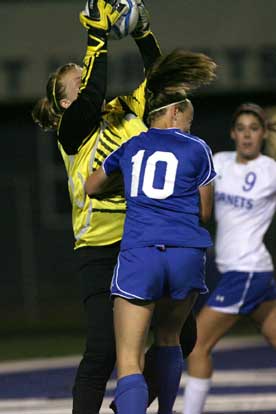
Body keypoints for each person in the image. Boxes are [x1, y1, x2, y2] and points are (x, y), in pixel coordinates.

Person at [32, 1, 197, 413]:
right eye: (78, 81)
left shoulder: (123, 112)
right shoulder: (72, 129)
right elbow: (93, 94)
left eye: (86, 75)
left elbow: (166, 84)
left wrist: (143, 33)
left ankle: (131, 404)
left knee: (182, 334)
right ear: (65, 102)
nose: (87, 82)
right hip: (100, 250)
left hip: (140, 243)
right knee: (104, 349)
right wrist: (97, 36)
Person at [85, 48, 217, 414]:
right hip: (186, 252)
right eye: (188, 117)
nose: (190, 125)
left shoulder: (131, 146)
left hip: (141, 251)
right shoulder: (199, 148)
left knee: (128, 359)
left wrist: (127, 186)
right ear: (175, 112)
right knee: (171, 339)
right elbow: (205, 212)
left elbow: (92, 186)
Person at [183, 102, 276, 414]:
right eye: (242, 129)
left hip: (247, 271)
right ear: (232, 134)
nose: (247, 135)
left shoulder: (271, 169)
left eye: (254, 129)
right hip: (247, 273)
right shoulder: (219, 162)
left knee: (197, 345)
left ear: (263, 134)